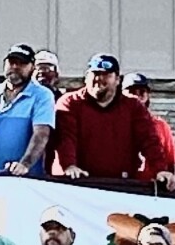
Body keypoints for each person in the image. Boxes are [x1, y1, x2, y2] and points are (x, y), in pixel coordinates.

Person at [49, 55, 168, 183]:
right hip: (77, 182)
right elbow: (65, 138)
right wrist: (69, 165)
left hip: (120, 184)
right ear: (86, 77)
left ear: (117, 80)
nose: (99, 79)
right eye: (95, 74)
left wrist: (160, 170)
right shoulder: (69, 102)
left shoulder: (133, 106)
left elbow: (148, 140)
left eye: (106, 75)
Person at [0, 44, 56, 177]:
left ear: (32, 67)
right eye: (11, 62)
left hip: (26, 178)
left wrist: (25, 164)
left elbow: (41, 135)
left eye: (22, 63)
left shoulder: (42, 95)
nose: (15, 67)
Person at [123, 75, 175, 183]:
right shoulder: (115, 124)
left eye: (141, 93)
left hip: (152, 185)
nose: (137, 97)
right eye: (132, 92)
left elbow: (171, 161)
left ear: (148, 96)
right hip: (121, 183)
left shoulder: (160, 125)